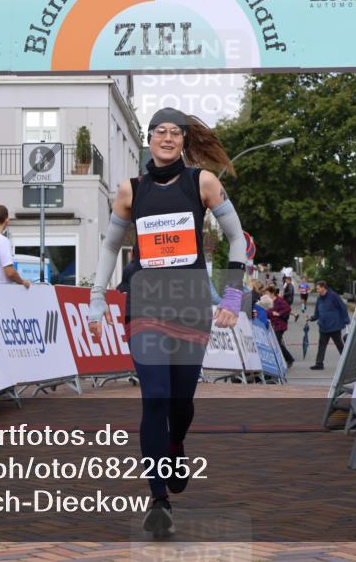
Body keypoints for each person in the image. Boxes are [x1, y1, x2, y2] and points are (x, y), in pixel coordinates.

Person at [86, 107, 246, 538]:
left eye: (176, 133)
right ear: (150, 138)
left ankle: (176, 445)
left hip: (191, 305)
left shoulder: (204, 183)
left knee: (180, 403)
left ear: (183, 140)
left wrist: (232, 294)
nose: (168, 138)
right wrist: (96, 300)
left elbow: (237, 239)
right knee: (155, 398)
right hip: (146, 306)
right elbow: (109, 248)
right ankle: (159, 498)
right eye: (161, 131)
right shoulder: (129, 190)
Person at [308, 280, 350, 371]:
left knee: (339, 344)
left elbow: (342, 307)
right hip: (323, 326)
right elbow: (317, 312)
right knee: (322, 345)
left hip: (334, 326)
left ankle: (346, 362)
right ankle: (319, 364)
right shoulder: (319, 298)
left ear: (323, 287)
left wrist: (346, 319)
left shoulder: (333, 296)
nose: (317, 290)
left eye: (318, 288)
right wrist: (312, 318)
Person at [267, 285, 295, 368]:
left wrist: (279, 313)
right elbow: (268, 312)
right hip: (272, 325)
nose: (266, 295)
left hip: (280, 325)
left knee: (277, 343)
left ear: (272, 293)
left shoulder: (279, 300)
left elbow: (288, 308)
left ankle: (289, 359)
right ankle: (281, 360)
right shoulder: (268, 301)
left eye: (267, 293)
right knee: (276, 343)